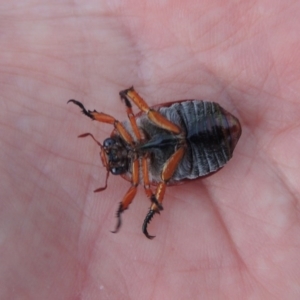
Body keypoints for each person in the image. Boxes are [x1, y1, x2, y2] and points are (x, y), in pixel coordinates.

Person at [1, 1, 299, 299]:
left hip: (191, 121)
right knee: (157, 180)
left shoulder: (128, 127)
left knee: (151, 145)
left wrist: (100, 111)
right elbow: (150, 182)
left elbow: (134, 115)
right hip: (197, 156)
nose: (115, 155)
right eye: (114, 165)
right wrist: (133, 207)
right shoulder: (139, 177)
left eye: (109, 147)